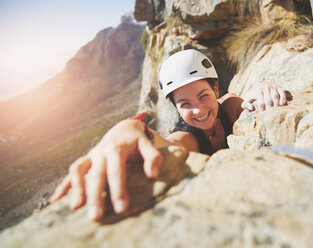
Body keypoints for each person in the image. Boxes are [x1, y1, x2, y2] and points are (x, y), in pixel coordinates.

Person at [49, 49, 287, 220]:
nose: (198, 109)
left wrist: (261, 87)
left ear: (215, 88)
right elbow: (163, 142)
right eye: (184, 103)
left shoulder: (230, 106)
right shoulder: (187, 137)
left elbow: (244, 102)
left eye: (203, 96)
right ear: (176, 108)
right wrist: (127, 128)